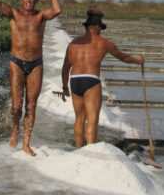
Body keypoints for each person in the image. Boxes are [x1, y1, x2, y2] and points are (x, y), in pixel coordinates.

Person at [0, 0, 61, 156]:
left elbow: (57, 9)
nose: (29, 1)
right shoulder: (14, 14)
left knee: (31, 105)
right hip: (17, 62)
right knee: (16, 106)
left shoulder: (41, 16)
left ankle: (26, 142)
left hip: (36, 64)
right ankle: (15, 130)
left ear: (35, 0)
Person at [60, 9, 144, 148]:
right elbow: (123, 57)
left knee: (79, 119)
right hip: (90, 79)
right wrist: (137, 61)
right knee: (92, 120)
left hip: (74, 79)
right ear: (98, 26)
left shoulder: (74, 44)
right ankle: (91, 150)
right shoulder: (103, 43)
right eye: (101, 28)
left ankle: (79, 149)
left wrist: (64, 88)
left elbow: (65, 68)